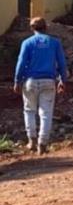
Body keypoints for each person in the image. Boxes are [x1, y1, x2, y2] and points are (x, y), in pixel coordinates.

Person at [13, 17, 67, 155]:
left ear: (32, 28)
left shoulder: (27, 43)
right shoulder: (54, 43)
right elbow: (61, 63)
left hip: (30, 81)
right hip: (49, 81)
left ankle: (32, 141)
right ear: (46, 27)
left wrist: (17, 81)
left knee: (29, 110)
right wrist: (63, 80)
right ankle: (43, 144)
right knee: (46, 113)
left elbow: (21, 63)